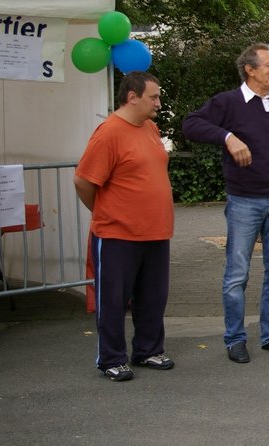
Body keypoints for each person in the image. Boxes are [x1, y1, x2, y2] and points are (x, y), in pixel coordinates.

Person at [183, 43, 269, 364]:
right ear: (250, 69)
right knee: (237, 273)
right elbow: (191, 124)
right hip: (245, 200)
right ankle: (235, 338)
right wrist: (227, 137)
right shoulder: (228, 102)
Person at [74, 71, 175, 381]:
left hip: (155, 230)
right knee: (114, 299)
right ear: (132, 97)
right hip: (118, 233)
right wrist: (106, 211)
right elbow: (83, 180)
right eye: (153, 97)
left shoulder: (150, 128)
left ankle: (147, 350)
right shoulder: (109, 132)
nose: (159, 102)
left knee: (153, 296)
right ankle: (111, 358)